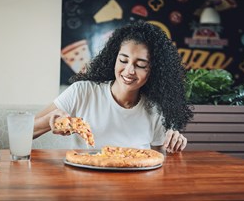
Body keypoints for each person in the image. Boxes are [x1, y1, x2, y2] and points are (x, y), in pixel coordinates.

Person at [33, 21, 193, 153]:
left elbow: (158, 159)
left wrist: (173, 145)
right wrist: (50, 121)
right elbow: (25, 131)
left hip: (136, 187)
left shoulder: (155, 109)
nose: (129, 71)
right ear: (113, 59)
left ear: (154, 70)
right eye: (123, 60)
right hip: (85, 184)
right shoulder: (82, 92)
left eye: (141, 65)